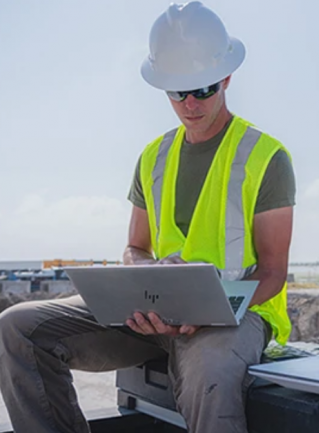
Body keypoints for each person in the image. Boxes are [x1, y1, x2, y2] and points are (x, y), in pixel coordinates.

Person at [0, 2, 295, 432]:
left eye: (203, 89)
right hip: (154, 314)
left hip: (234, 315)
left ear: (227, 78)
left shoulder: (266, 157)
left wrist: (212, 308)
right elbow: (134, 247)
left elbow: (272, 271)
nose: (190, 103)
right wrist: (148, 275)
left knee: (211, 375)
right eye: (178, 92)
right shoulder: (153, 157)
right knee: (16, 328)